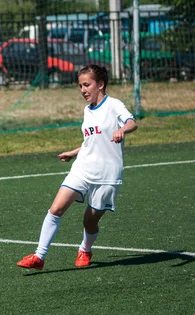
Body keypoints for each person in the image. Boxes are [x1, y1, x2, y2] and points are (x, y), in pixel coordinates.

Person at [17, 64, 137, 270]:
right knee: (56, 209)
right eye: (80, 86)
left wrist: (123, 131)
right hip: (83, 168)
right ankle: (39, 256)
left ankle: (85, 249)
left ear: (100, 84)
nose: (82, 90)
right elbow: (91, 142)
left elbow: (132, 122)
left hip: (107, 174)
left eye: (86, 85)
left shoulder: (114, 105)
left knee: (89, 222)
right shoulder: (87, 110)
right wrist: (74, 153)